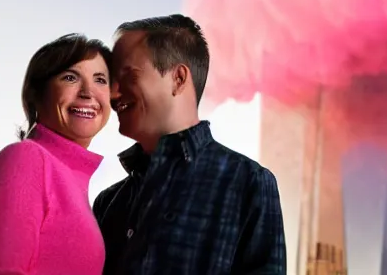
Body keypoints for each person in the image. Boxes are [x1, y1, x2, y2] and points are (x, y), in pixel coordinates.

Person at [93, 14, 286, 274]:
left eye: (129, 75)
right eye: (110, 79)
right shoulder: (108, 202)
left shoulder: (249, 184)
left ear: (178, 78)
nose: (113, 94)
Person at [0, 33, 112, 275]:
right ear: (36, 94)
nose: (88, 92)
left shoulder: (73, 182)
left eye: (100, 80)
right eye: (70, 77)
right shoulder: (27, 158)